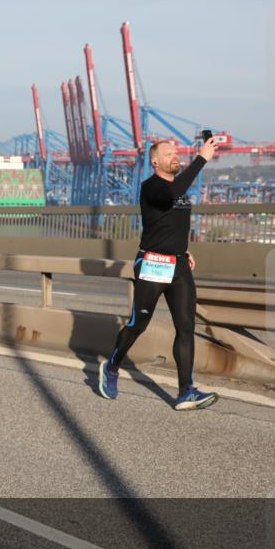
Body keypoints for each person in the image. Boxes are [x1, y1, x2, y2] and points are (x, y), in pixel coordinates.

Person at [99, 137, 220, 410]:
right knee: (138, 324)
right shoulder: (151, 187)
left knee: (186, 328)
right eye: (169, 154)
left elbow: (170, 222)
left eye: (176, 153)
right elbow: (172, 192)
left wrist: (182, 249)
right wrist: (201, 158)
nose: (175, 156)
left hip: (178, 266)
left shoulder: (178, 190)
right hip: (153, 264)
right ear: (155, 161)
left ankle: (186, 392)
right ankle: (112, 367)